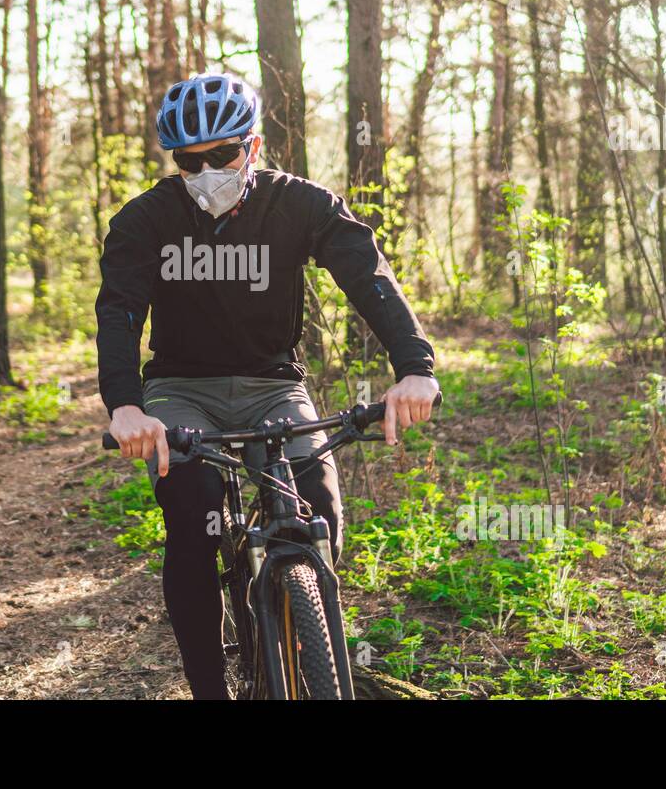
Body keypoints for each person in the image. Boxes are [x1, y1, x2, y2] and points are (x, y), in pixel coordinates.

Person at [96, 71, 440, 699]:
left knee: (319, 503)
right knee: (192, 508)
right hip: (180, 391)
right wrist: (125, 406)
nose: (206, 171)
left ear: (251, 146)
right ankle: (208, 688)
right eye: (189, 161)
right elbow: (119, 312)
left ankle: (301, 635)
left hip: (273, 385)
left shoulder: (301, 205)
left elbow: (370, 279)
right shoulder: (145, 219)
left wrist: (414, 367)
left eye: (221, 154)